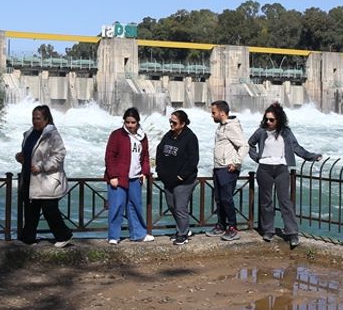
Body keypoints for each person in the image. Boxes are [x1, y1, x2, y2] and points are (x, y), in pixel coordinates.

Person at [248, 102, 323, 248]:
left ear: (279, 119)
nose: (268, 122)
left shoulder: (286, 132)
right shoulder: (261, 131)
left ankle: (292, 233)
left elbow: (296, 147)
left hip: (281, 168)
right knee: (266, 202)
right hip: (264, 168)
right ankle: (268, 230)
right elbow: (250, 143)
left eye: (272, 119)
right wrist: (257, 157)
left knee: (285, 201)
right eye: (266, 119)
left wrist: (311, 156)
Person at [15, 104, 73, 248]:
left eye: (38, 118)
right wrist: (19, 156)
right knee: (31, 210)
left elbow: (60, 155)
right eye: (33, 118)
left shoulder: (52, 134)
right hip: (30, 177)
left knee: (49, 209)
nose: (35, 121)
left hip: (47, 180)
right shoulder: (29, 133)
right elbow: (27, 152)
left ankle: (64, 235)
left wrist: (41, 166)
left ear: (46, 119)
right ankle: (28, 238)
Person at [104, 107, 153, 244]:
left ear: (138, 122)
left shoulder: (142, 137)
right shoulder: (117, 135)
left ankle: (138, 234)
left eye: (133, 122)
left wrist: (144, 172)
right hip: (119, 177)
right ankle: (113, 236)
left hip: (135, 177)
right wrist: (112, 176)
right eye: (127, 122)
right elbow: (110, 157)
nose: (130, 125)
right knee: (117, 206)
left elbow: (145, 157)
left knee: (135, 206)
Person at [156, 110, 199, 246]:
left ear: (183, 124)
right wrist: (159, 170)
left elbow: (193, 160)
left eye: (174, 122)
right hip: (168, 179)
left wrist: (181, 176)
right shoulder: (169, 135)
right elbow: (159, 151)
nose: (171, 124)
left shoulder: (190, 137)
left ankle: (182, 234)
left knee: (180, 207)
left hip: (184, 181)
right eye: (170, 121)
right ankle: (184, 228)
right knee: (172, 206)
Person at [209, 100, 246, 241]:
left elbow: (244, 146)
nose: (212, 115)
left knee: (226, 199)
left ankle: (233, 228)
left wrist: (236, 163)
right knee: (219, 199)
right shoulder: (221, 127)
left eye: (214, 112)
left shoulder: (231, 127)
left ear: (222, 113)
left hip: (227, 169)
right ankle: (221, 225)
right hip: (219, 167)